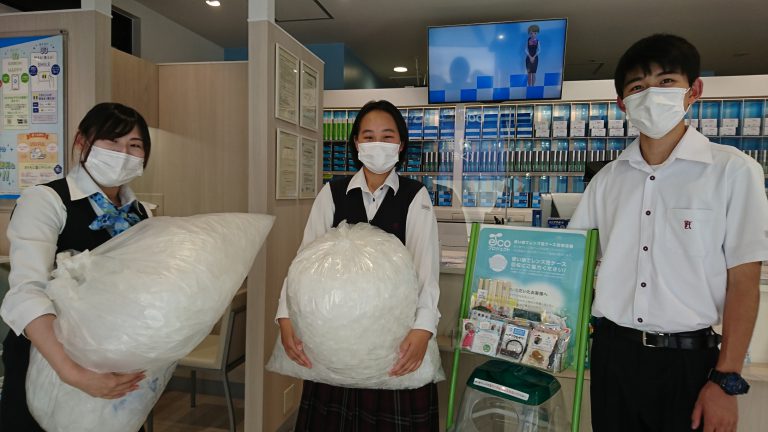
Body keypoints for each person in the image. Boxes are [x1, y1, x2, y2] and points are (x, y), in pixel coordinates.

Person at [568, 34, 768, 432]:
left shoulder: (732, 171)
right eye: (637, 87)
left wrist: (726, 380)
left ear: (694, 90)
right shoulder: (607, 180)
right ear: (623, 104)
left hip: (689, 363)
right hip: (612, 355)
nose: (651, 95)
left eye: (666, 82)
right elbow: (573, 261)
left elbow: (744, 283)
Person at [276, 100, 441, 431]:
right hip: (333, 338)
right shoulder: (333, 192)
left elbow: (426, 270)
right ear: (356, 143)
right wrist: (285, 315)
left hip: (393, 338)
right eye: (368, 136)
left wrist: (423, 329)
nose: (377, 144)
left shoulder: (415, 195)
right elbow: (304, 260)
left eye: (387, 136)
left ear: (401, 144)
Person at [0, 103, 153, 431]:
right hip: (48, 361)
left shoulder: (142, 213)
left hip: (114, 360)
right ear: (82, 141)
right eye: (112, 141)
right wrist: (73, 372)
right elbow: (27, 293)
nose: (123, 153)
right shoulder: (45, 200)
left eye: (134, 145)